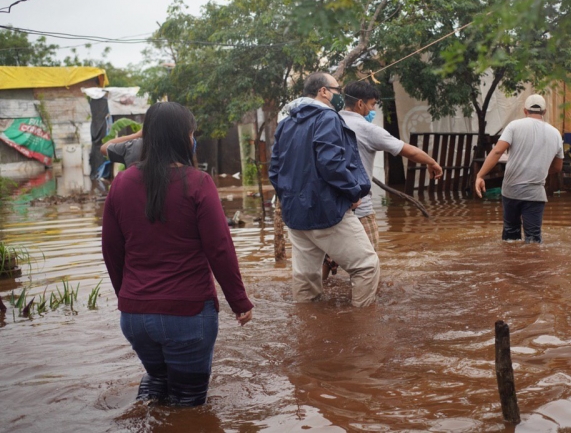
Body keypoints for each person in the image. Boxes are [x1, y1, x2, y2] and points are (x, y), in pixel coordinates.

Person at [101, 102, 253, 406]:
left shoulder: (121, 183)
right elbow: (220, 249)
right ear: (184, 137)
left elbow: (111, 251)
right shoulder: (198, 183)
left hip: (135, 318)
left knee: (157, 382)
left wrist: (130, 298)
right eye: (191, 132)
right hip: (187, 315)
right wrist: (239, 301)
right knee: (189, 407)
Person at [268, 72, 379, 307]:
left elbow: (275, 169)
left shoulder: (286, 123)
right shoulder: (327, 118)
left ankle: (310, 331)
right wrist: (353, 192)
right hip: (326, 210)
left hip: (295, 216)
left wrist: (288, 199)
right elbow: (331, 162)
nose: (340, 95)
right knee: (367, 266)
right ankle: (363, 333)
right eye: (337, 90)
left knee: (306, 278)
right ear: (324, 91)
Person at [337, 79, 443, 249]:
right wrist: (432, 163)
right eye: (372, 105)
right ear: (359, 103)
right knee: (368, 264)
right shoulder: (367, 129)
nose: (373, 110)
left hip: (331, 208)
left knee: (329, 260)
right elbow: (408, 150)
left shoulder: (330, 123)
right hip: (360, 208)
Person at [474, 93, 563, 244]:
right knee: (534, 239)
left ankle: (511, 265)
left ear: (525, 110)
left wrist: (480, 175)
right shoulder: (555, 133)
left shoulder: (514, 126)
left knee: (510, 235)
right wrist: (539, 170)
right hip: (535, 194)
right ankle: (532, 265)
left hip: (511, 191)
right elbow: (557, 167)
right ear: (544, 112)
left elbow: (497, 151)